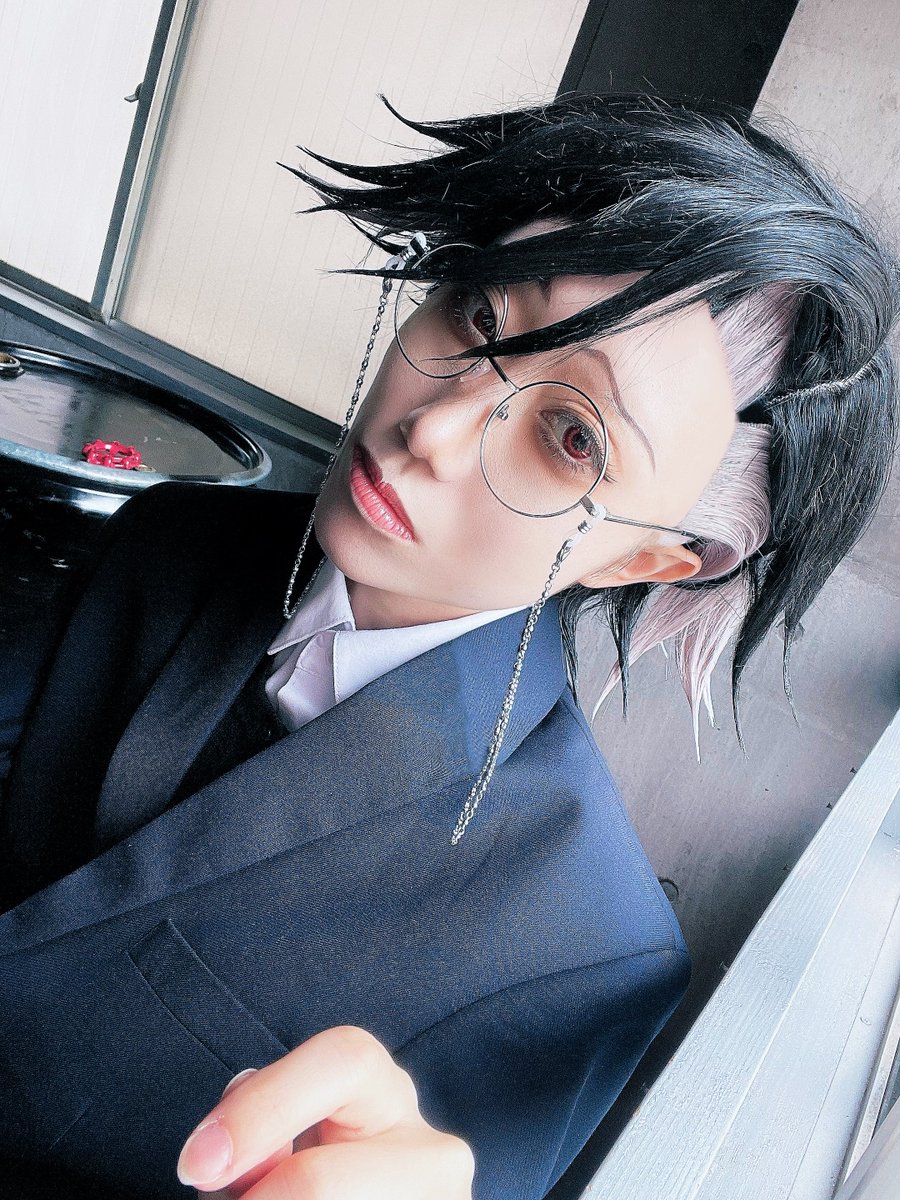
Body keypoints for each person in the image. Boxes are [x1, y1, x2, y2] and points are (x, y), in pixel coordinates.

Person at [0, 92, 897, 1200]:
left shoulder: (579, 948)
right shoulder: (176, 536)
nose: (433, 427)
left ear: (648, 558)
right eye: (477, 316)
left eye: (571, 438)